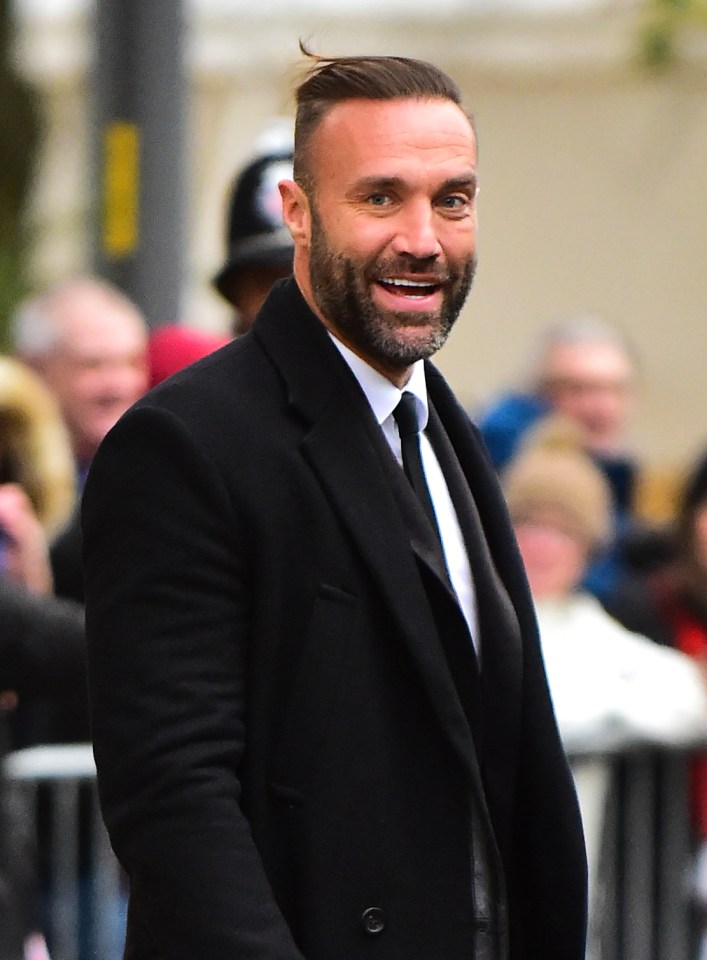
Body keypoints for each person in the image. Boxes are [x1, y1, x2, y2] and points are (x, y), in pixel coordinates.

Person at [83, 50, 587, 960]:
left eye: (453, 199)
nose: (424, 237)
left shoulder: (446, 429)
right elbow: (174, 797)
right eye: (381, 197)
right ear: (299, 215)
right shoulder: (186, 444)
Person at [501, 421, 707, 957]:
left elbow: (688, 694)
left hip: (583, 890)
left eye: (563, 531)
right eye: (526, 524)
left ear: (589, 547)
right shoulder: (474, 624)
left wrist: (583, 719)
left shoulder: (598, 631)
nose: (542, 545)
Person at [478, 315, 641, 602]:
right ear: (541, 393)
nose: (602, 408)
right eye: (581, 389)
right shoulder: (491, 464)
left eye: (615, 390)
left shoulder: (613, 470)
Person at [12, 277, 150, 605]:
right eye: (94, 365)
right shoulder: (11, 471)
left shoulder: (158, 469)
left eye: (131, 363)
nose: (118, 385)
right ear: (33, 368)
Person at [212, 148, 295, 335]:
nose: (291, 299)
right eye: (268, 282)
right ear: (237, 292)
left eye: (310, 279)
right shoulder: (219, 364)